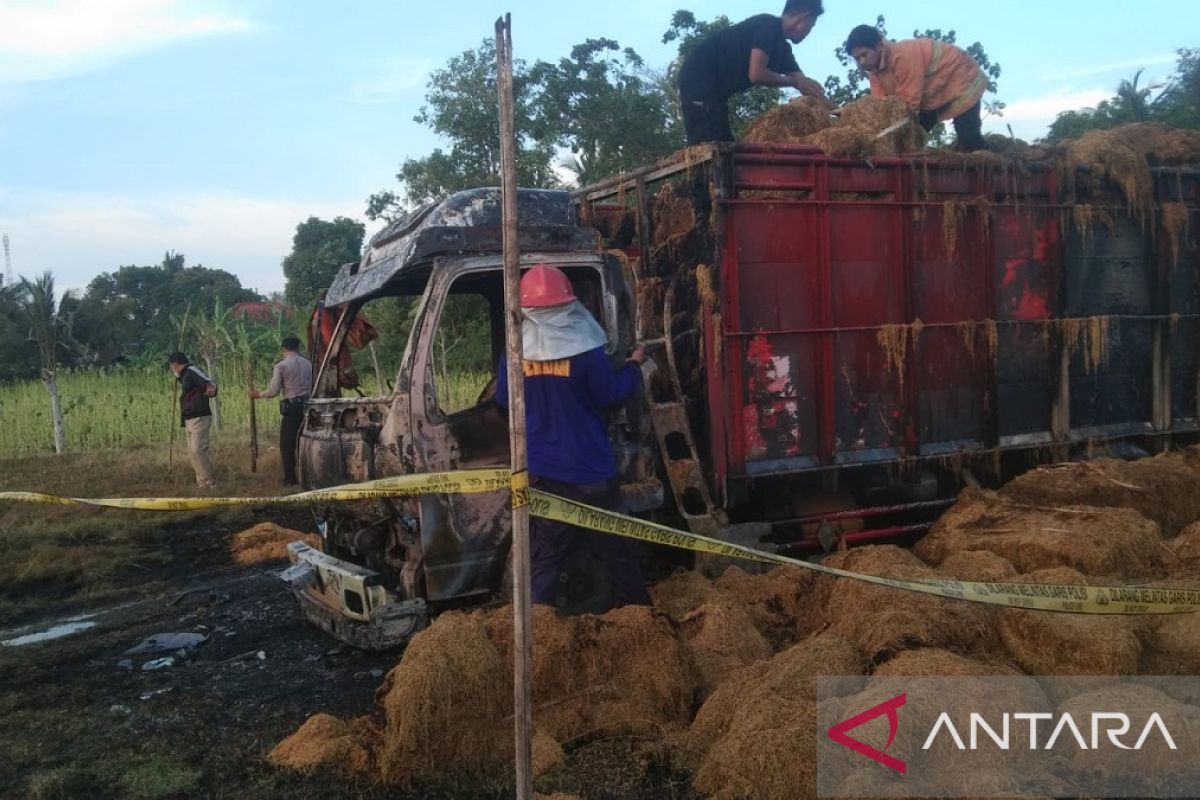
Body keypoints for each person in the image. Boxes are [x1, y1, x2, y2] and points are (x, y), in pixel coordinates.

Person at [495, 264, 652, 611]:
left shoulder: (514, 354)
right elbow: (609, 396)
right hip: (590, 471)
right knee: (619, 552)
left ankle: (541, 625)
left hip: (540, 473)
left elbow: (504, 401)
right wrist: (634, 366)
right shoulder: (586, 351)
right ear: (568, 304)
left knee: (545, 557)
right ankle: (642, 619)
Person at [677, 0, 829, 146]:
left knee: (726, 147)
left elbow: (807, 86)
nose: (809, 32)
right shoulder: (767, 26)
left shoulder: (783, 50)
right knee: (707, 146)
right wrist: (794, 82)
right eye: (812, 26)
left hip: (717, 94)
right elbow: (756, 74)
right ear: (804, 18)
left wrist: (841, 111)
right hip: (697, 79)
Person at [844, 25, 988, 152]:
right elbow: (880, 107)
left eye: (864, 55)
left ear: (878, 46)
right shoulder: (875, 73)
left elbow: (908, 103)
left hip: (962, 78)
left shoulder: (903, 56)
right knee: (912, 136)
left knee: (968, 136)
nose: (862, 62)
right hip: (933, 93)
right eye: (857, 59)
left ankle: (991, 165)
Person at [249, 336, 313, 486]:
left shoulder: (281, 366)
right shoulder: (309, 363)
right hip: (310, 407)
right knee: (307, 442)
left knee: (287, 444)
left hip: (292, 408)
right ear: (298, 348)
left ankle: (290, 479)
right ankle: (310, 475)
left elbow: (274, 391)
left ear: (283, 349)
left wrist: (257, 394)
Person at [168, 352, 218, 489]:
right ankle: (202, 483)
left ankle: (210, 480)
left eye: (171, 367)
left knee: (197, 450)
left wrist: (212, 390)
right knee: (192, 453)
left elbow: (209, 382)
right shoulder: (184, 375)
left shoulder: (192, 370)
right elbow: (184, 382)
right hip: (188, 417)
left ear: (175, 364)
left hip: (199, 416)